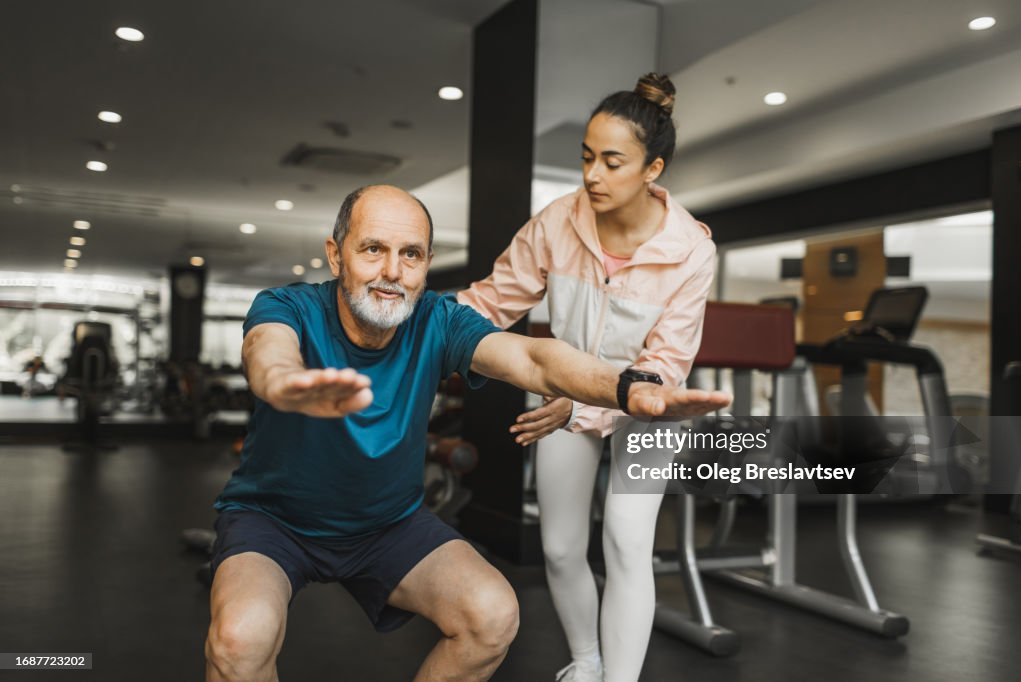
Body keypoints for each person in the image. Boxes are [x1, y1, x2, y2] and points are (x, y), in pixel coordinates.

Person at [205, 184, 730, 682]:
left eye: (411, 254)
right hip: (276, 523)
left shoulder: (438, 320)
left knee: (491, 615)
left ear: (427, 263)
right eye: (373, 249)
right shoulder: (288, 306)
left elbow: (534, 359)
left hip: (387, 525)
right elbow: (267, 351)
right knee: (238, 640)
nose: (392, 271)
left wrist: (628, 388)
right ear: (336, 255)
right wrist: (285, 381)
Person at [458, 73, 716, 682]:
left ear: (652, 169)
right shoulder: (558, 222)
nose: (592, 175)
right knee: (559, 547)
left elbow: (662, 367)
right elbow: (491, 301)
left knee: (625, 539)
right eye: (586, 157)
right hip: (565, 397)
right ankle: (588, 663)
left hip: (652, 406)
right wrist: (413, 330)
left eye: (612, 162)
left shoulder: (692, 250)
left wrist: (582, 405)